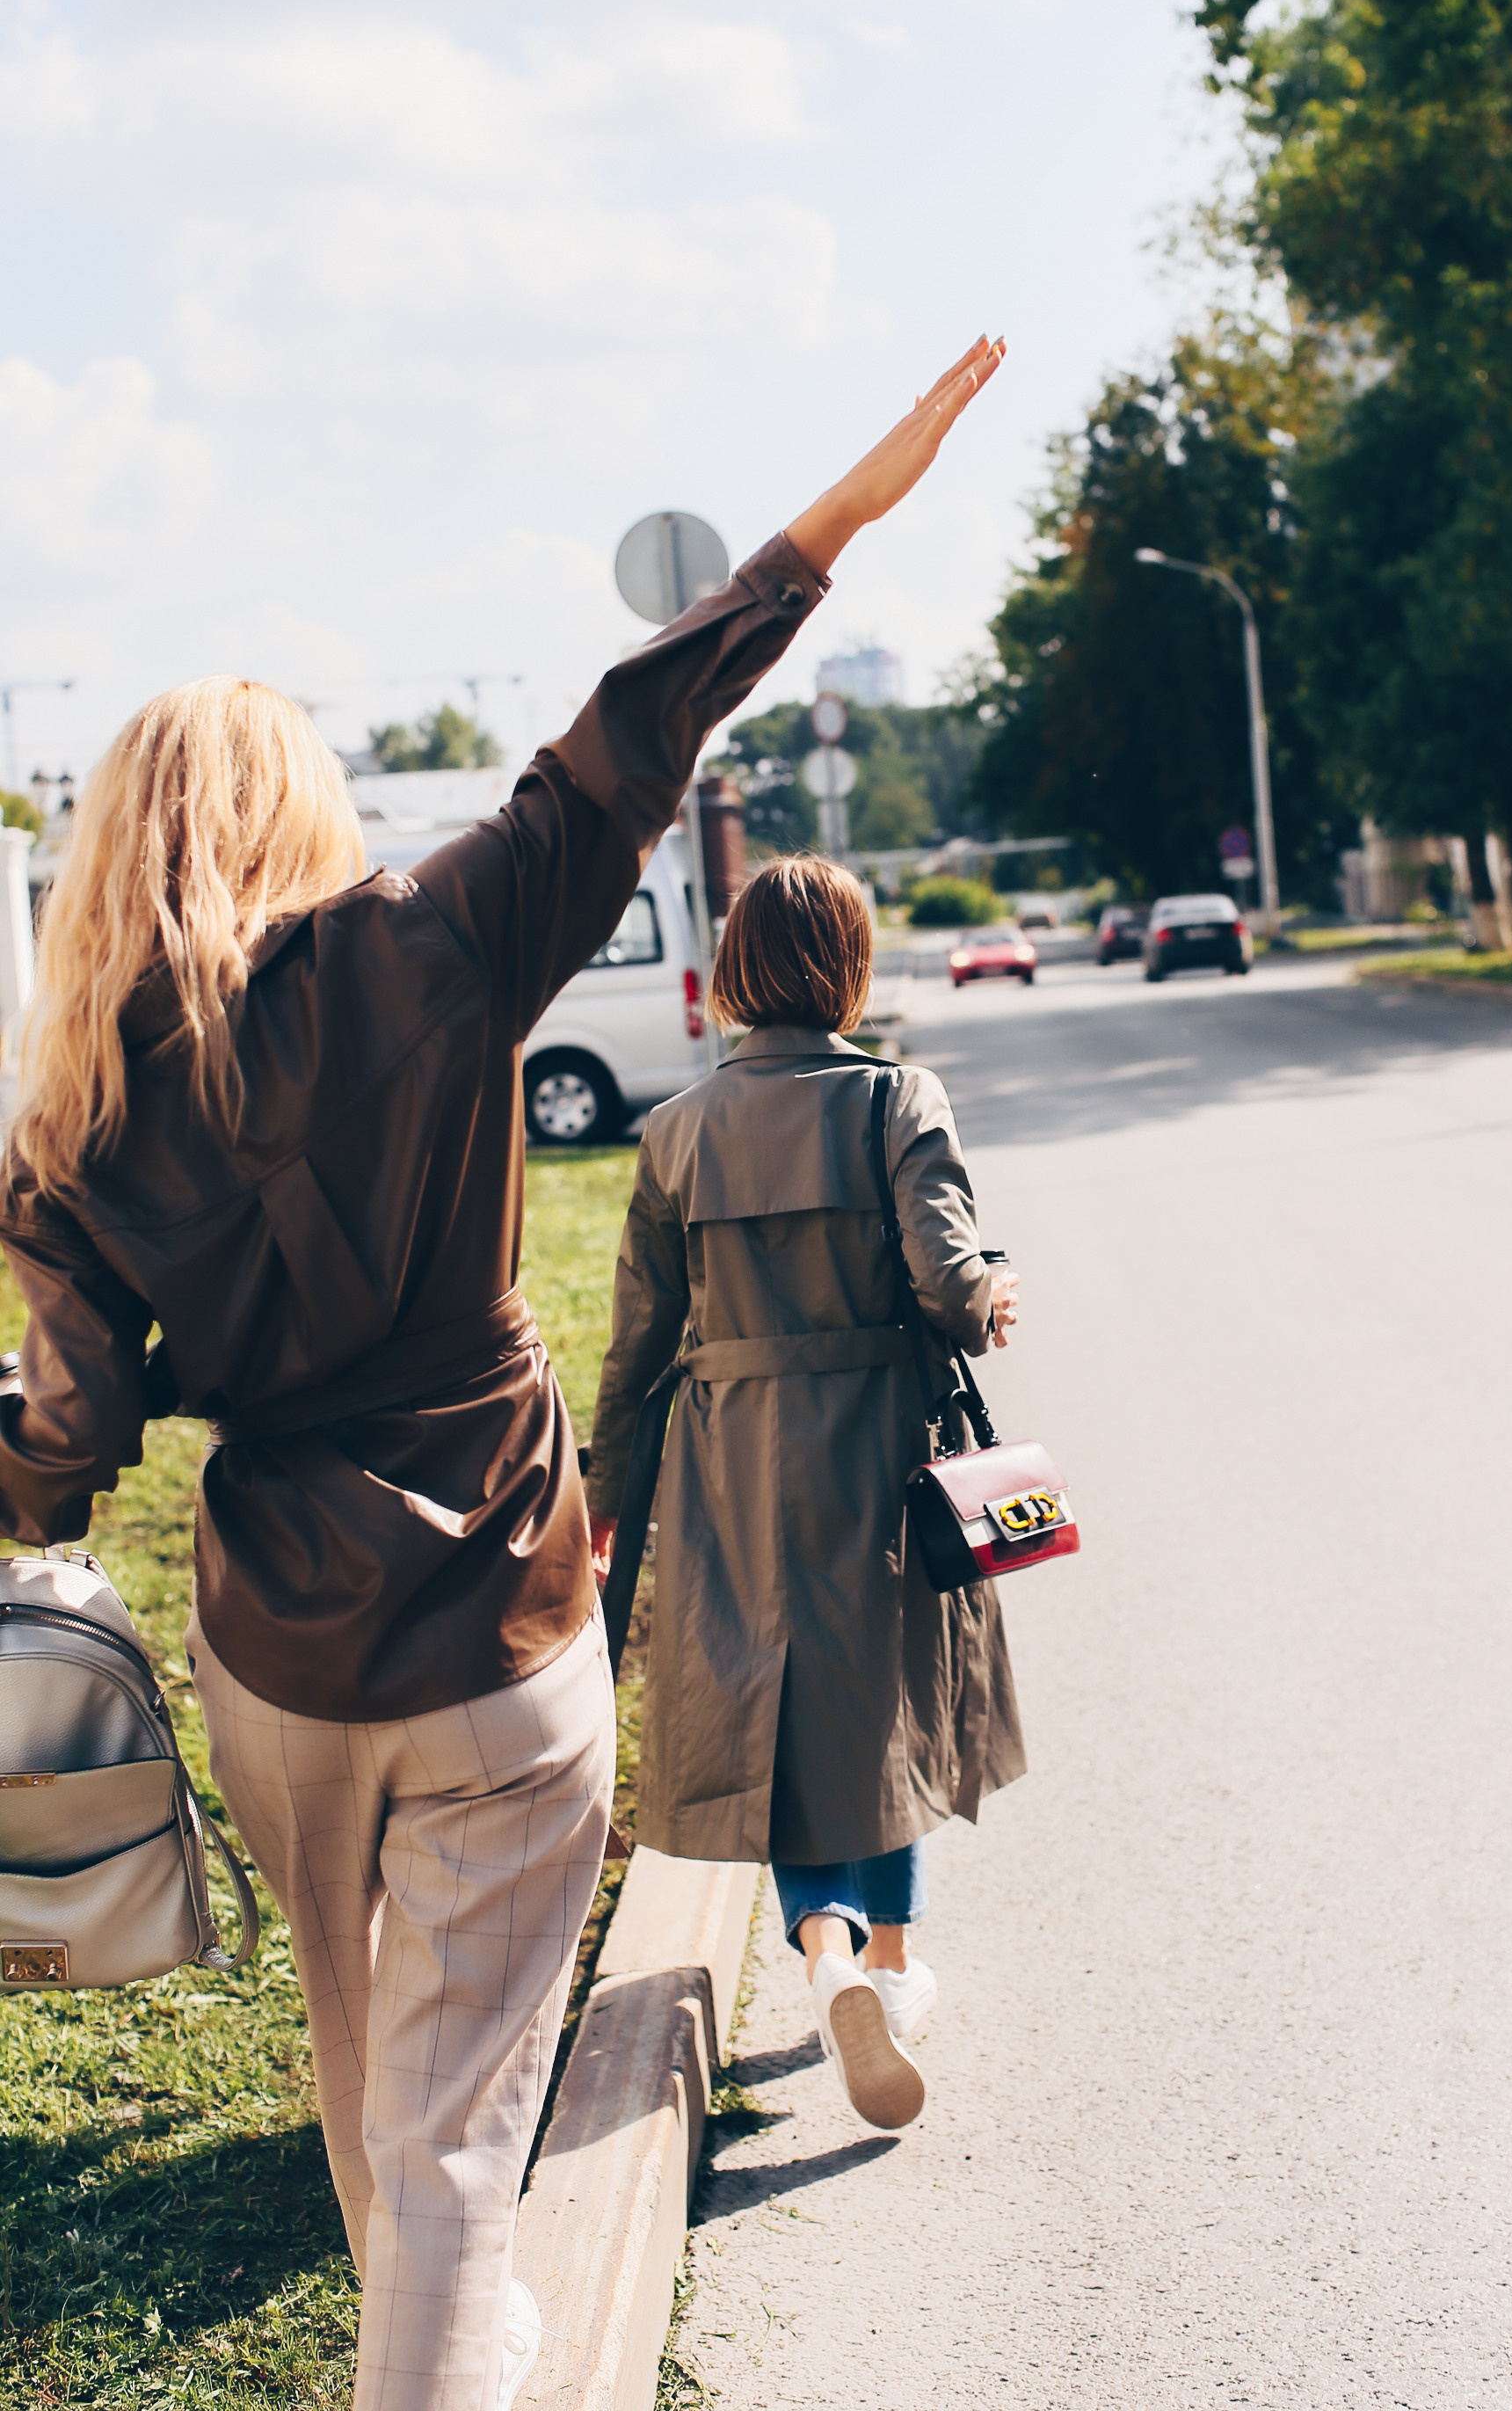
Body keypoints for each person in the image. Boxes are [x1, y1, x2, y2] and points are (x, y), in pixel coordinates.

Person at [0, 335, 1003, 2411]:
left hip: (277, 1646)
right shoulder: (425, 949)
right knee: (459, 2129)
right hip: (505, 1618)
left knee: (375, 2066)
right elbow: (623, 745)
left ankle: (454, 2336)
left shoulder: (73, 1122)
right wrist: (827, 523)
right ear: (304, 811)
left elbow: (61, 1457)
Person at [586, 852, 1025, 2133]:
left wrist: (611, 1492)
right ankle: (887, 1963)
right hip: (881, 1448)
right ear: (848, 964)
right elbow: (948, 1284)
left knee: (774, 1704)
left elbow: (633, 1344)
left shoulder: (673, 1132)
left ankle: (824, 1946)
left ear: (734, 971)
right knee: (877, 1698)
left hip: (728, 1460)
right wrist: (995, 1290)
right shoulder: (897, 1099)